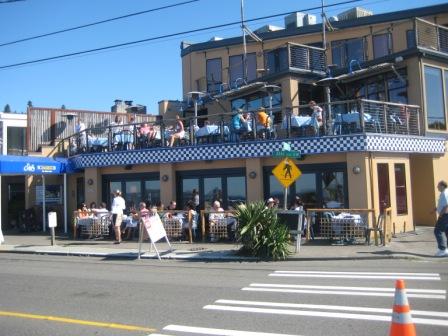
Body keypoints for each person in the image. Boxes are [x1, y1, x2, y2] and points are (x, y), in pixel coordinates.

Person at [433, 180, 448, 257]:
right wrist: (435, 209)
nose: (437, 187)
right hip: (445, 215)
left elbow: (446, 206)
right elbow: (442, 204)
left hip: (445, 215)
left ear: (442, 186)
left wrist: (441, 215)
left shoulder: (445, 194)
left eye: (438, 186)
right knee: (446, 231)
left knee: (437, 231)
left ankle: (443, 249)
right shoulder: (445, 192)